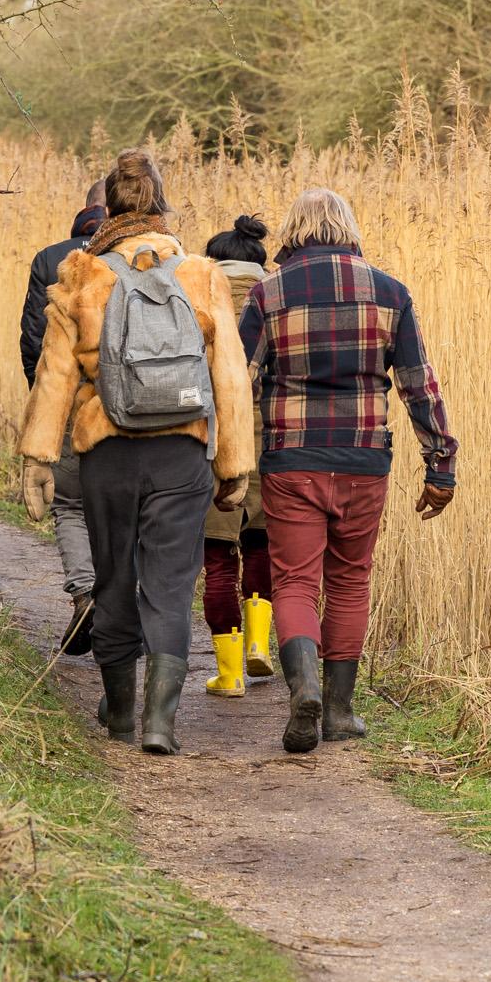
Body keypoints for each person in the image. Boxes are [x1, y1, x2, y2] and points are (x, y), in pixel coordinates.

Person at [17, 150, 255, 755]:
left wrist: (38, 457)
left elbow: (55, 376)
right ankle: (160, 724)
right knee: (171, 587)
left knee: (114, 579)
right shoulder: (201, 274)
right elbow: (229, 375)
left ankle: (120, 715)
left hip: (107, 454)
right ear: (160, 203)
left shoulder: (80, 274)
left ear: (110, 207)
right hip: (182, 451)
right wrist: (235, 464)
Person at [238, 187, 458, 753]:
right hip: (364, 460)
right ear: (348, 228)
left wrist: (228, 461)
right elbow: (418, 383)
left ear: (295, 230)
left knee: (293, 582)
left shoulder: (268, 294)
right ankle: (337, 710)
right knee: (350, 580)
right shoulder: (390, 293)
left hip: (292, 459)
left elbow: (238, 381)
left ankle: (303, 686)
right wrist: (440, 463)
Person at [20, 180, 107, 655]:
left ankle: (83, 592)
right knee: (122, 509)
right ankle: (120, 607)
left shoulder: (51, 257)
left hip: (68, 402)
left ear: (85, 207)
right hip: (124, 408)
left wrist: (41, 405)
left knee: (70, 505)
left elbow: (34, 336)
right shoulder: (147, 256)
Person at [199, 215, 275, 699]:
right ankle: (260, 646)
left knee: (219, 557)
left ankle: (229, 677)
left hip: (216, 439)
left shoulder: (199, 296)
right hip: (270, 436)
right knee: (262, 546)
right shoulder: (279, 297)